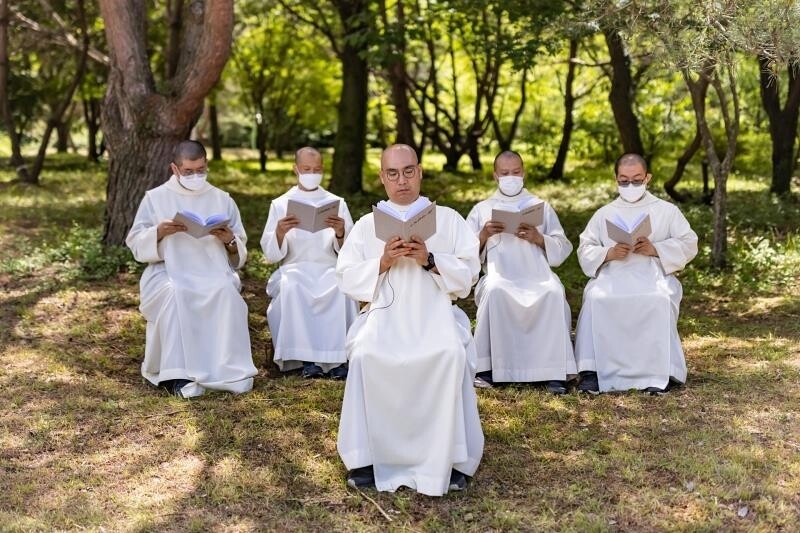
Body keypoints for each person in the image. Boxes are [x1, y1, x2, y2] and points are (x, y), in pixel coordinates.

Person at [335, 144, 483, 496]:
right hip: (384, 317)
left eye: (408, 171)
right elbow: (345, 276)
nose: (401, 180)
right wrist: (382, 263)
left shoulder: (446, 219)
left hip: (434, 315)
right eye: (392, 173)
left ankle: (451, 458)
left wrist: (430, 260)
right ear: (382, 178)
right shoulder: (368, 225)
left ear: (420, 172)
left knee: (448, 354)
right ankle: (369, 458)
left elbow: (470, 273)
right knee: (369, 355)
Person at [126, 140, 257, 398]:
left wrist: (228, 240)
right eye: (189, 171)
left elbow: (238, 251)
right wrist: (159, 232)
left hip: (213, 270)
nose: (196, 176)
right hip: (168, 270)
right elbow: (136, 243)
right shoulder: (155, 198)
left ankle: (225, 369)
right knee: (176, 293)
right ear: (174, 169)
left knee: (224, 291)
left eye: (201, 169)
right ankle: (176, 374)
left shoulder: (222, 199)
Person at [574, 153, 698, 395]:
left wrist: (656, 249)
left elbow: (689, 242)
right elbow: (585, 247)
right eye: (624, 181)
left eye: (636, 180)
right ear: (616, 180)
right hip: (613, 274)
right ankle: (593, 372)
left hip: (652, 274)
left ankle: (660, 372)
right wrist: (608, 253)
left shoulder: (667, 211)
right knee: (596, 298)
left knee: (657, 299)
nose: (630, 186)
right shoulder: (604, 213)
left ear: (647, 178)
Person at [466, 151, 576, 394]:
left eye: (516, 172)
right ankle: (489, 368)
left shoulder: (540, 207)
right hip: (500, 274)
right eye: (505, 173)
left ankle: (553, 370)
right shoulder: (482, 209)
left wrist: (539, 237)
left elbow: (562, 245)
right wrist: (484, 235)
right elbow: (463, 252)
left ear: (523, 173)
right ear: (495, 175)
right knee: (495, 290)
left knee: (553, 291)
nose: (511, 177)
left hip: (537, 274)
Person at [260, 147, 358, 379]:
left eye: (317, 170)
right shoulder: (281, 204)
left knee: (338, 287)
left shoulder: (336, 202)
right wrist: (281, 232)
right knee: (293, 286)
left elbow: (352, 250)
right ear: (296, 169)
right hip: (295, 266)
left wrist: (341, 232)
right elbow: (271, 253)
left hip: (328, 267)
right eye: (306, 169)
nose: (312, 173)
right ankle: (307, 359)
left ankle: (336, 360)